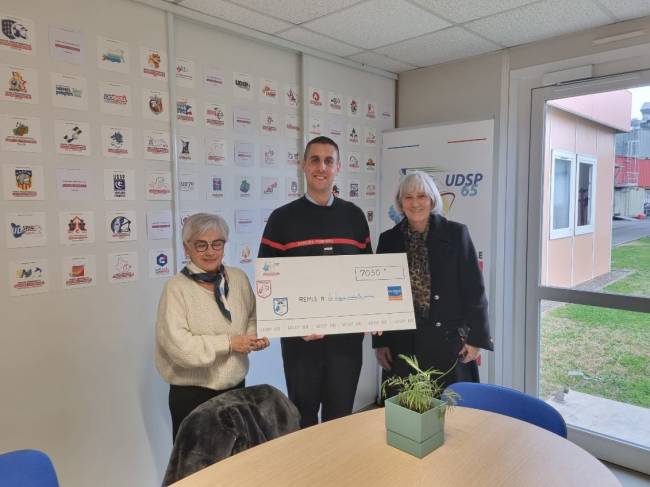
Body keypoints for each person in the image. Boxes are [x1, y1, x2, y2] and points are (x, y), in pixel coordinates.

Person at [258, 136, 371, 428]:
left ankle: (336, 474)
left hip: (346, 342)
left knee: (340, 418)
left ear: (338, 167)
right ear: (303, 166)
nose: (322, 167)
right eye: (315, 160)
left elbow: (368, 275)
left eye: (328, 160)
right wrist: (295, 324)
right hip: (301, 343)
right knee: (302, 418)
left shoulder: (355, 217)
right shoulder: (281, 219)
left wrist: (374, 312)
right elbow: (267, 284)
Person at [373, 171, 493, 393]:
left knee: (452, 416)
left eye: (422, 196)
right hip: (403, 346)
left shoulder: (457, 234)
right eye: (408, 197)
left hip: (448, 345)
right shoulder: (388, 240)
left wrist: (476, 339)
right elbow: (382, 295)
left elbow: (474, 290)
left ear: (432, 200)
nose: (415, 203)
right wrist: (381, 343)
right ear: (400, 203)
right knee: (407, 414)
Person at [155, 212, 269, 441]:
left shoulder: (238, 279)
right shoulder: (176, 288)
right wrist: (229, 344)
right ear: (187, 248)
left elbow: (254, 318)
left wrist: (253, 338)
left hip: (236, 389)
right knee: (197, 467)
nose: (210, 251)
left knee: (237, 460)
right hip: (192, 396)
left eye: (217, 244)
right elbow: (179, 348)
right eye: (201, 245)